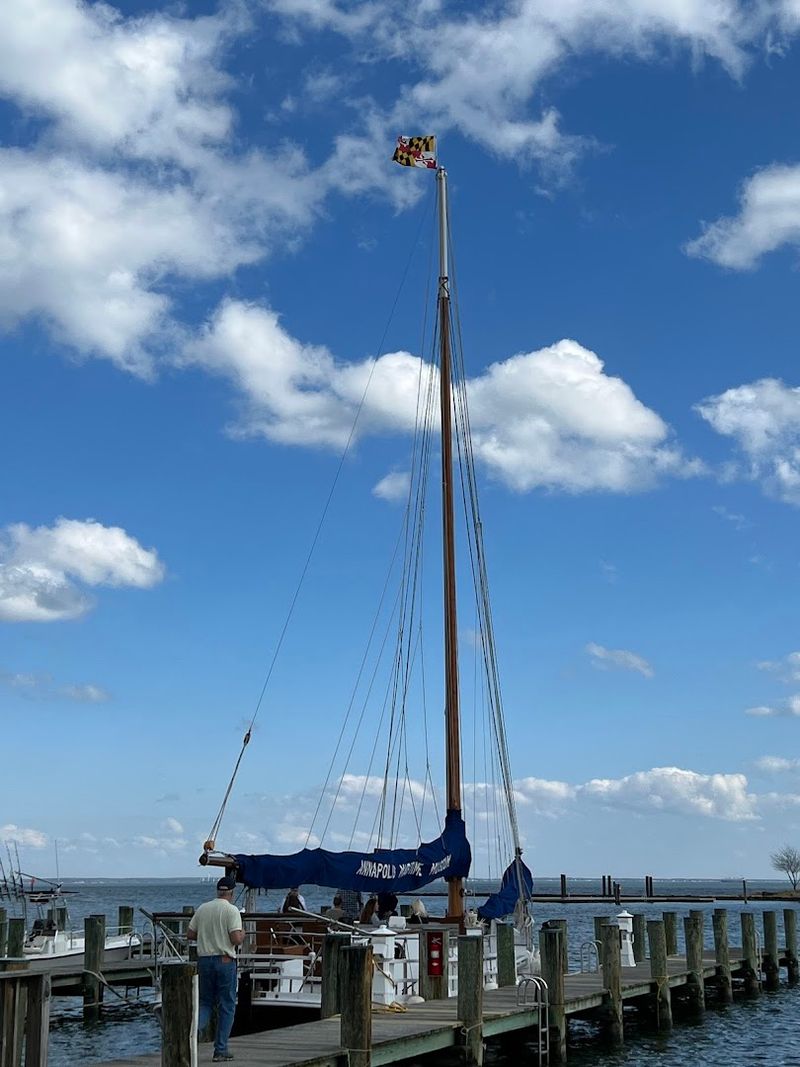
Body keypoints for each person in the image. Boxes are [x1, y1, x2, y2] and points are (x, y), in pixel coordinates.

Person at [187, 875, 244, 1063]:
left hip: (204, 960)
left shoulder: (203, 908)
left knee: (204, 1003)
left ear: (218, 891)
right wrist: (242, 934)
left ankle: (188, 1037)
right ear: (232, 892)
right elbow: (235, 938)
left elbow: (190, 934)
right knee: (227, 1005)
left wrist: (207, 935)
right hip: (225, 960)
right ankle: (220, 1049)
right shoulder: (231, 910)